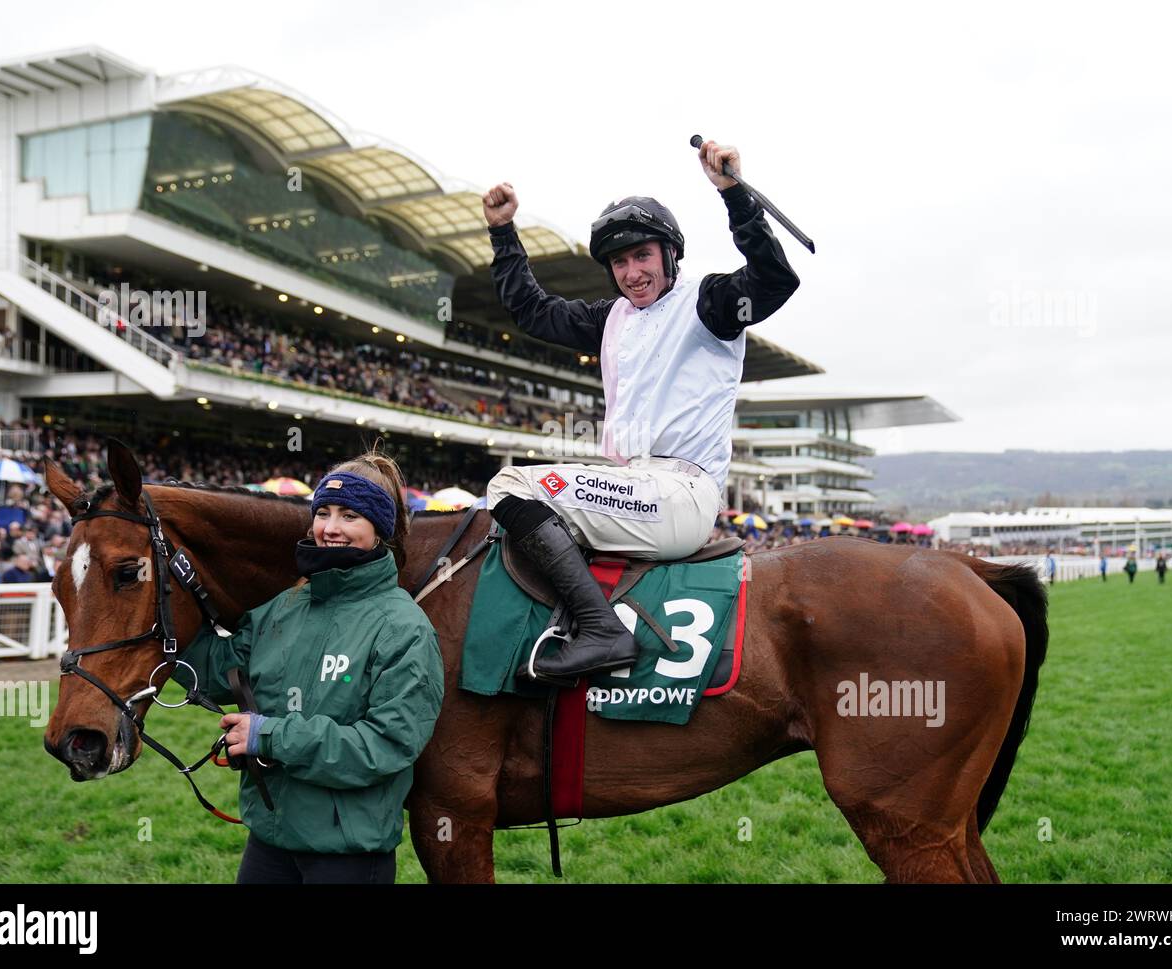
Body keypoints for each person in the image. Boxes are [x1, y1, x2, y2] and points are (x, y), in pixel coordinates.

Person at [480, 140, 800, 685]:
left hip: (680, 494)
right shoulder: (613, 318)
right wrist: (503, 232)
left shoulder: (710, 302)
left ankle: (603, 633)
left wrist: (734, 194)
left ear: (669, 254)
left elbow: (775, 281)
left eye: (642, 256)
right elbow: (533, 311)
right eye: (620, 263)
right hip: (631, 488)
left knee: (511, 488)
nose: (631, 273)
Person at [176, 449, 444, 884]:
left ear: (380, 530)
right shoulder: (283, 606)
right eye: (323, 513)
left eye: (350, 516)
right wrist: (169, 611)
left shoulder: (404, 628)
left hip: (348, 853)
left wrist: (271, 736)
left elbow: (388, 745)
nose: (331, 528)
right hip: (269, 838)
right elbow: (217, 673)